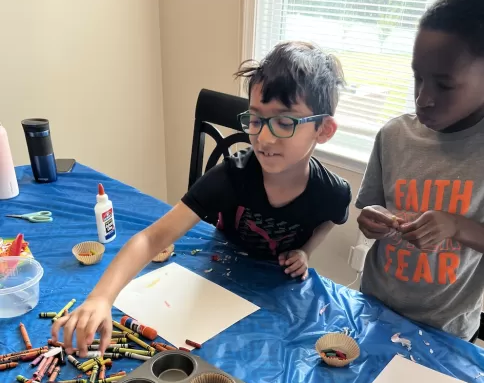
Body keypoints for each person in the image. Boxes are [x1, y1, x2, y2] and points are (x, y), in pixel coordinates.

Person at [53, 41, 352, 355]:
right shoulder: (231, 176)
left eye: (284, 121)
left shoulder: (333, 191)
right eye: (255, 119)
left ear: (324, 130)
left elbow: (331, 219)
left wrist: (305, 251)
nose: (263, 137)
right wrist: (100, 297)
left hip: (278, 293)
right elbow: (151, 238)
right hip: (220, 277)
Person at [356, 0, 484, 341]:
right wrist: (372, 219)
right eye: (417, 78)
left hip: (446, 332)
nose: (423, 98)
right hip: (376, 311)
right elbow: (370, 210)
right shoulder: (394, 136)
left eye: (444, 85)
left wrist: (456, 226)